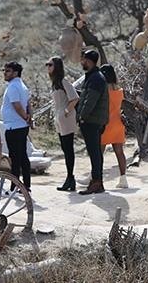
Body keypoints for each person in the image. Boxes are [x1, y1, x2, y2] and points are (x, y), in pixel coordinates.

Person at [77, 49, 109, 195]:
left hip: (92, 121)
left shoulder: (95, 78)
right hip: (94, 121)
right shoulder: (93, 76)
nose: (82, 62)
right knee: (96, 153)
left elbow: (90, 101)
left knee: (95, 153)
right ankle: (97, 182)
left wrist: (82, 116)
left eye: (84, 59)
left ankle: (96, 182)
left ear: (89, 61)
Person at [46, 57, 79, 191]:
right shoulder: (55, 83)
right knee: (65, 149)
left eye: (50, 65)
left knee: (68, 148)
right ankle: (70, 178)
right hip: (59, 118)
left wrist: (66, 111)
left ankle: (70, 178)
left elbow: (75, 98)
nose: (48, 67)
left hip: (65, 118)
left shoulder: (63, 82)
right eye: (47, 65)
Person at [1, 61, 33, 192]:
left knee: (15, 158)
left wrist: (26, 117)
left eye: (7, 71)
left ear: (15, 73)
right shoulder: (22, 85)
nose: (5, 73)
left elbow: (17, 105)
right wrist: (29, 118)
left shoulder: (14, 86)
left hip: (15, 127)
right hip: (20, 126)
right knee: (22, 156)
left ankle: (15, 187)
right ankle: (26, 185)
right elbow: (28, 104)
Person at [100, 64, 128, 189]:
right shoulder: (119, 91)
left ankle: (95, 176)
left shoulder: (103, 91)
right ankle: (123, 179)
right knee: (119, 153)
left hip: (105, 124)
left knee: (99, 153)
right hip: (118, 123)